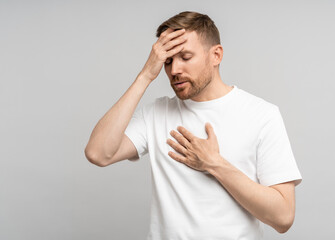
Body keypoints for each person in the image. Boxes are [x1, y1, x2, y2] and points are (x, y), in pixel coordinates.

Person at [85, 11, 302, 240]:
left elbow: (283, 217)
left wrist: (215, 164)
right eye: (167, 61)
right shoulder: (156, 113)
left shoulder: (262, 115)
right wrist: (146, 75)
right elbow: (98, 153)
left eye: (185, 57)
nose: (174, 70)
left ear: (216, 55)